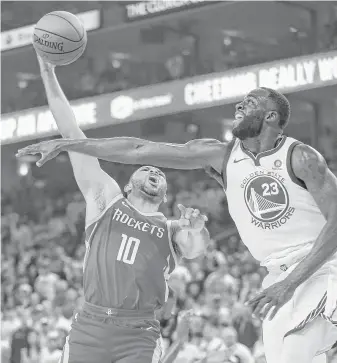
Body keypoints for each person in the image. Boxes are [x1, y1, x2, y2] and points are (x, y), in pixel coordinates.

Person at [18, 83, 337, 362]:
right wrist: (69, 144)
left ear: (271, 117)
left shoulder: (301, 158)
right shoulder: (221, 156)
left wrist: (290, 282)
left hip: (322, 269)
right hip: (276, 276)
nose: (240, 106)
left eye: (251, 102)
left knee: (298, 351)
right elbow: (138, 149)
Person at [18, 55, 210, 363]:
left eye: (159, 173)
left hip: (138, 332)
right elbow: (71, 131)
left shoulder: (170, 227)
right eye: (147, 169)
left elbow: (196, 248)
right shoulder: (105, 199)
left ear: (163, 195)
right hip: (89, 326)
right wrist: (47, 72)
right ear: (128, 185)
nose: (155, 171)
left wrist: (197, 229)